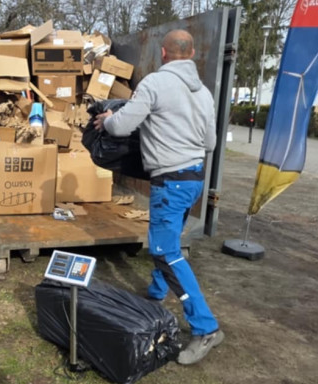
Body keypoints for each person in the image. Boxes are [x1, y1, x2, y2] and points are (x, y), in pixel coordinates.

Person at [92, 30, 222, 365]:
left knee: (166, 252)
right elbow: (210, 143)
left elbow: (121, 127)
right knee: (168, 241)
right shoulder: (204, 93)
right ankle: (155, 293)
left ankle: (206, 327)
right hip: (194, 178)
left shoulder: (154, 84)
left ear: (164, 53)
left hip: (171, 181)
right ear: (191, 53)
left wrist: (107, 120)